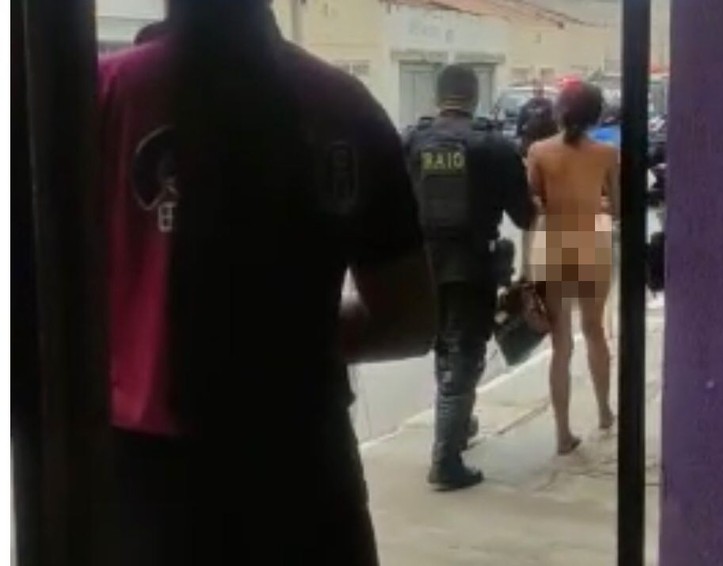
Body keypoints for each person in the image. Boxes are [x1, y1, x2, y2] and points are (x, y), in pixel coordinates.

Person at [98, 1, 435, 563]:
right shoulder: (342, 106)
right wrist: (286, 340)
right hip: (301, 470)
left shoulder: (101, 94)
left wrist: (144, 335)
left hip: (143, 478)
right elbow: (409, 319)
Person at [404, 64, 537, 491]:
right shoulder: (494, 146)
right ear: (474, 97)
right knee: (464, 352)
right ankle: (446, 460)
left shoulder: (412, 140)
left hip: (421, 267)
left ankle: (458, 427)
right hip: (471, 267)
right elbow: (525, 214)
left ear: (439, 97)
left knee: (444, 346)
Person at [525, 82, 618, 455]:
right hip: (592, 240)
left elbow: (533, 204)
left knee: (560, 343)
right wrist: (599, 207)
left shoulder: (538, 151)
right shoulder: (607, 154)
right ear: (596, 115)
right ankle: (605, 411)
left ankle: (563, 432)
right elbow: (618, 206)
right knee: (595, 331)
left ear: (558, 112)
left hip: (552, 242)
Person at [516, 79, 557, 155]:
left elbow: (556, 122)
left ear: (543, 93)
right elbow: (520, 124)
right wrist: (519, 135)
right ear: (533, 93)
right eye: (536, 92)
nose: (538, 94)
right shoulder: (527, 106)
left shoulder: (550, 105)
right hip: (531, 142)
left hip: (546, 141)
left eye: (540, 92)